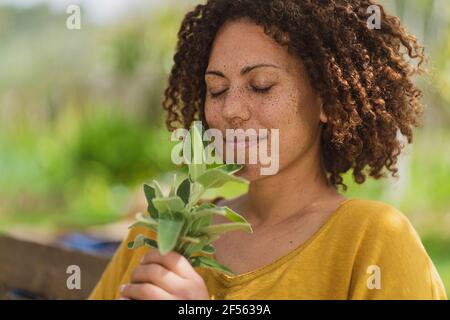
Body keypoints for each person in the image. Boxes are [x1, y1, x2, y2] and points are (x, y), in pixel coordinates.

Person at [89, 0, 447, 300]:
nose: (231, 110)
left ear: (327, 100)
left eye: (260, 86)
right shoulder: (161, 233)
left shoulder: (374, 240)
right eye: (216, 89)